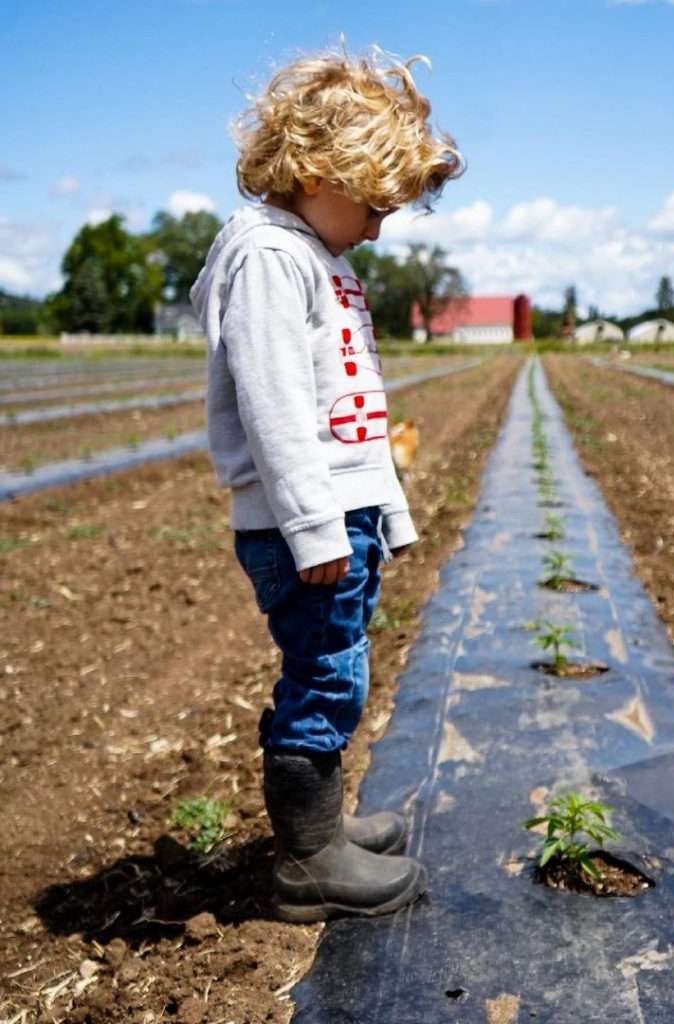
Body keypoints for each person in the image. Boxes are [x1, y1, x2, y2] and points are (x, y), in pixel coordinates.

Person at [190, 45, 462, 921]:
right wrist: (313, 527)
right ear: (315, 170)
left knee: (336, 669)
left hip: (344, 515)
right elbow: (275, 408)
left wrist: (388, 510)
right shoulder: (270, 258)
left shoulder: (321, 257)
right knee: (324, 677)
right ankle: (308, 861)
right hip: (305, 524)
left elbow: (356, 407)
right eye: (374, 205)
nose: (379, 228)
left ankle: (324, 828)